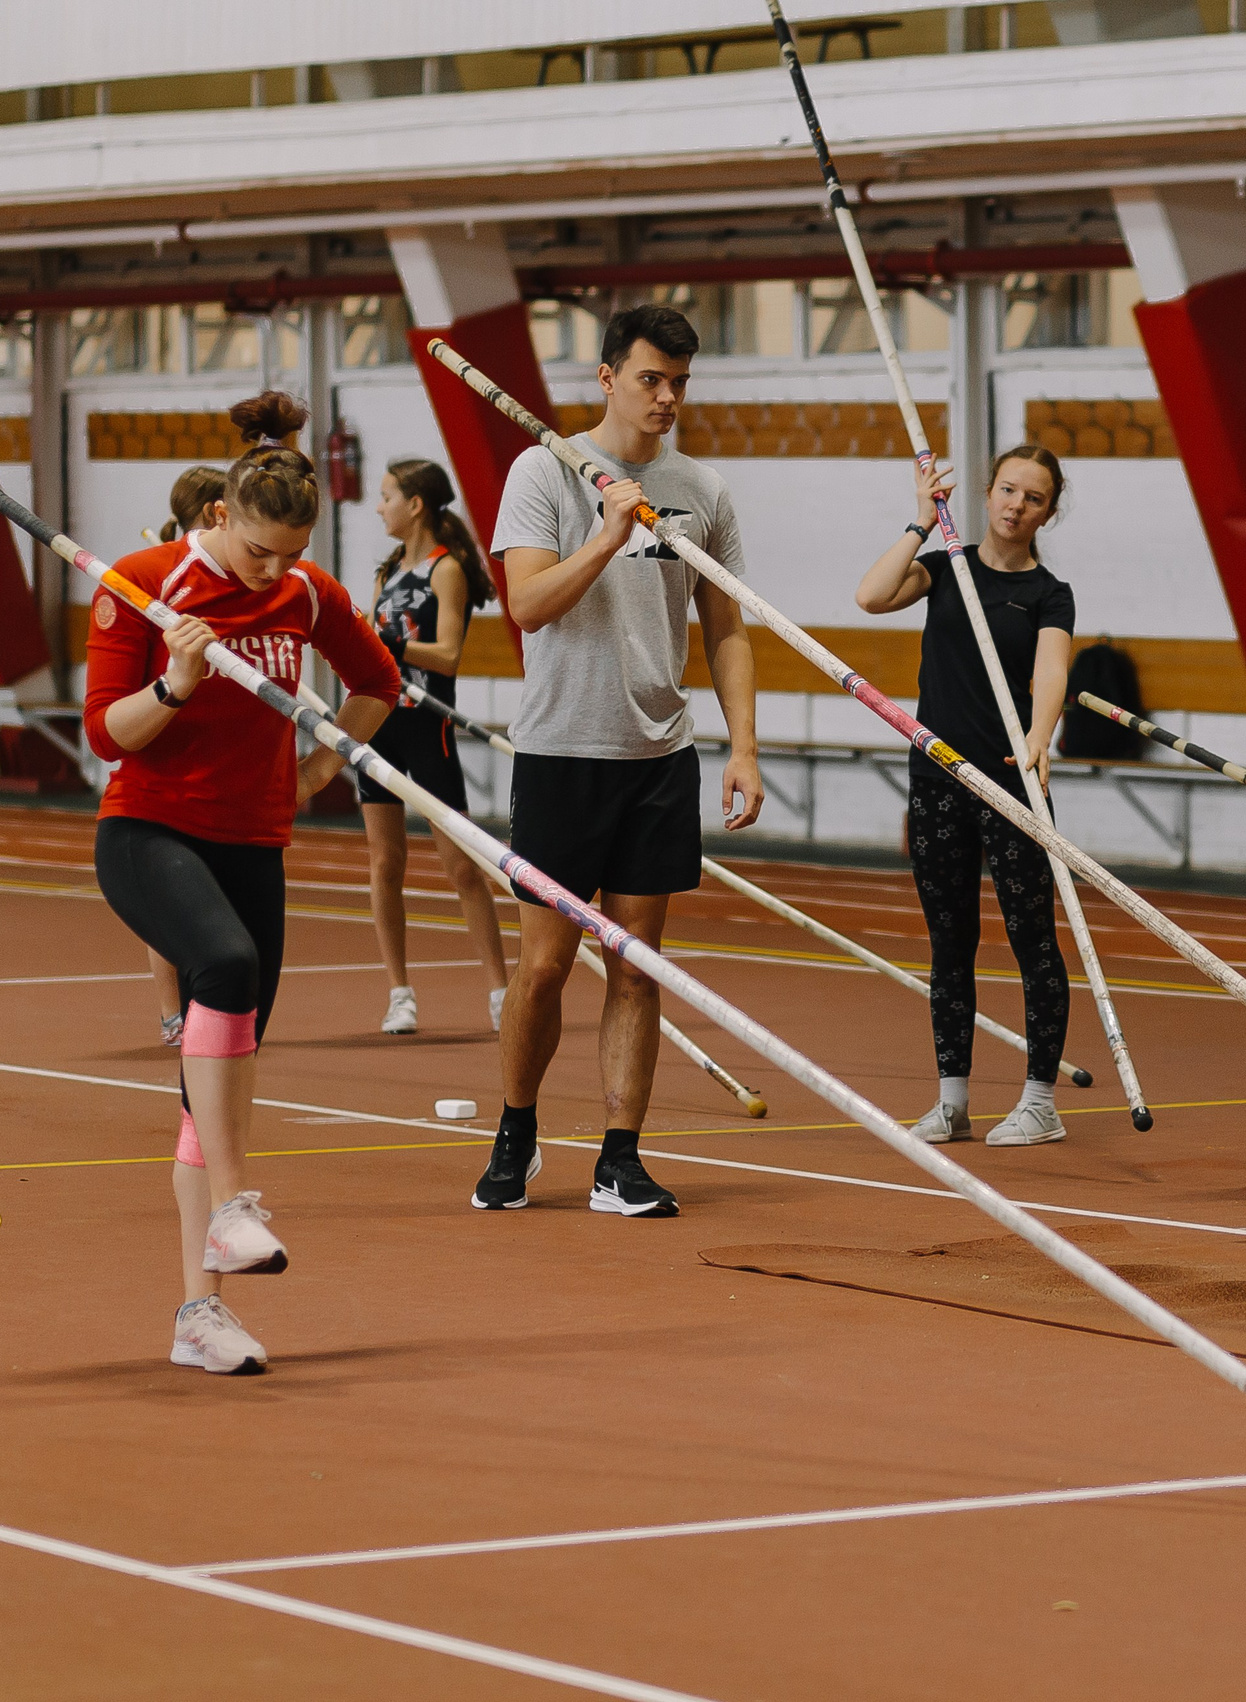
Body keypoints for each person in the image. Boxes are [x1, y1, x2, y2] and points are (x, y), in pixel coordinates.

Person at [84, 392, 400, 1373]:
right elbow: (105, 733)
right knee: (223, 964)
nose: (272, 570)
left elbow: (378, 682)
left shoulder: (305, 592)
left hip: (254, 841)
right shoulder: (146, 584)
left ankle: (199, 1316)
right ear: (221, 515)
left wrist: (319, 768)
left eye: (290, 553)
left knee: (210, 1091)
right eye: (259, 551)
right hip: (148, 830)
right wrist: (174, 683)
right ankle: (232, 1207)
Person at [472, 302, 763, 1216]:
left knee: (637, 965)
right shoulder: (543, 471)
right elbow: (527, 606)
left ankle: (619, 1160)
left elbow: (726, 628)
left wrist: (744, 747)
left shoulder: (703, 491)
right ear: (607, 378)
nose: (667, 397)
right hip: (563, 750)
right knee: (545, 968)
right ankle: (516, 1133)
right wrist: (607, 533)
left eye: (680, 382)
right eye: (650, 379)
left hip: (658, 754)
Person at [855, 446, 1074, 1148]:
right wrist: (921, 519)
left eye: (1033, 498)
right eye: (1007, 490)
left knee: (1032, 939)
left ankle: (1040, 1103)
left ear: (1048, 512)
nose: (1015, 506)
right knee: (950, 942)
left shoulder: (1049, 593)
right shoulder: (947, 566)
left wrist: (1039, 737)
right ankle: (952, 1101)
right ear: (987, 492)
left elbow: (1051, 673)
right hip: (938, 779)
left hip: (1010, 781)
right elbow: (870, 596)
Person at [358, 457, 509, 1037]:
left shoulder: (446, 570)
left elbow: (446, 654)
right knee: (384, 863)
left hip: (427, 726)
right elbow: (373, 650)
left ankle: (500, 992)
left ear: (415, 504)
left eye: (387, 496)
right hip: (379, 724)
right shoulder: (387, 572)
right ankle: (399, 993)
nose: (379, 507)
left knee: (461, 867)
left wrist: (386, 643)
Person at [144, 463, 226, 1049]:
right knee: (167, 892)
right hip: (164, 732)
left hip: (218, 745)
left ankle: (206, 1003)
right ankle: (173, 1012)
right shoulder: (161, 576)